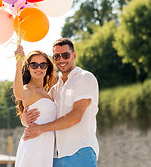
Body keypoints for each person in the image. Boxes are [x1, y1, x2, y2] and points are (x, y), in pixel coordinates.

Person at [23, 38, 99, 167]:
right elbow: (43, 114)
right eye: (57, 56)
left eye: (65, 55)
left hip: (80, 151)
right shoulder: (55, 89)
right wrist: (25, 120)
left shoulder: (85, 78)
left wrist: (40, 129)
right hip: (55, 156)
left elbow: (75, 117)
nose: (61, 60)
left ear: (73, 55)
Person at [13, 46, 57, 167]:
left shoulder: (48, 93)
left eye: (43, 65)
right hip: (34, 144)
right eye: (34, 65)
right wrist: (18, 63)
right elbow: (19, 93)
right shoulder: (29, 89)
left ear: (47, 67)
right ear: (28, 67)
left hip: (47, 147)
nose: (39, 68)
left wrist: (24, 120)